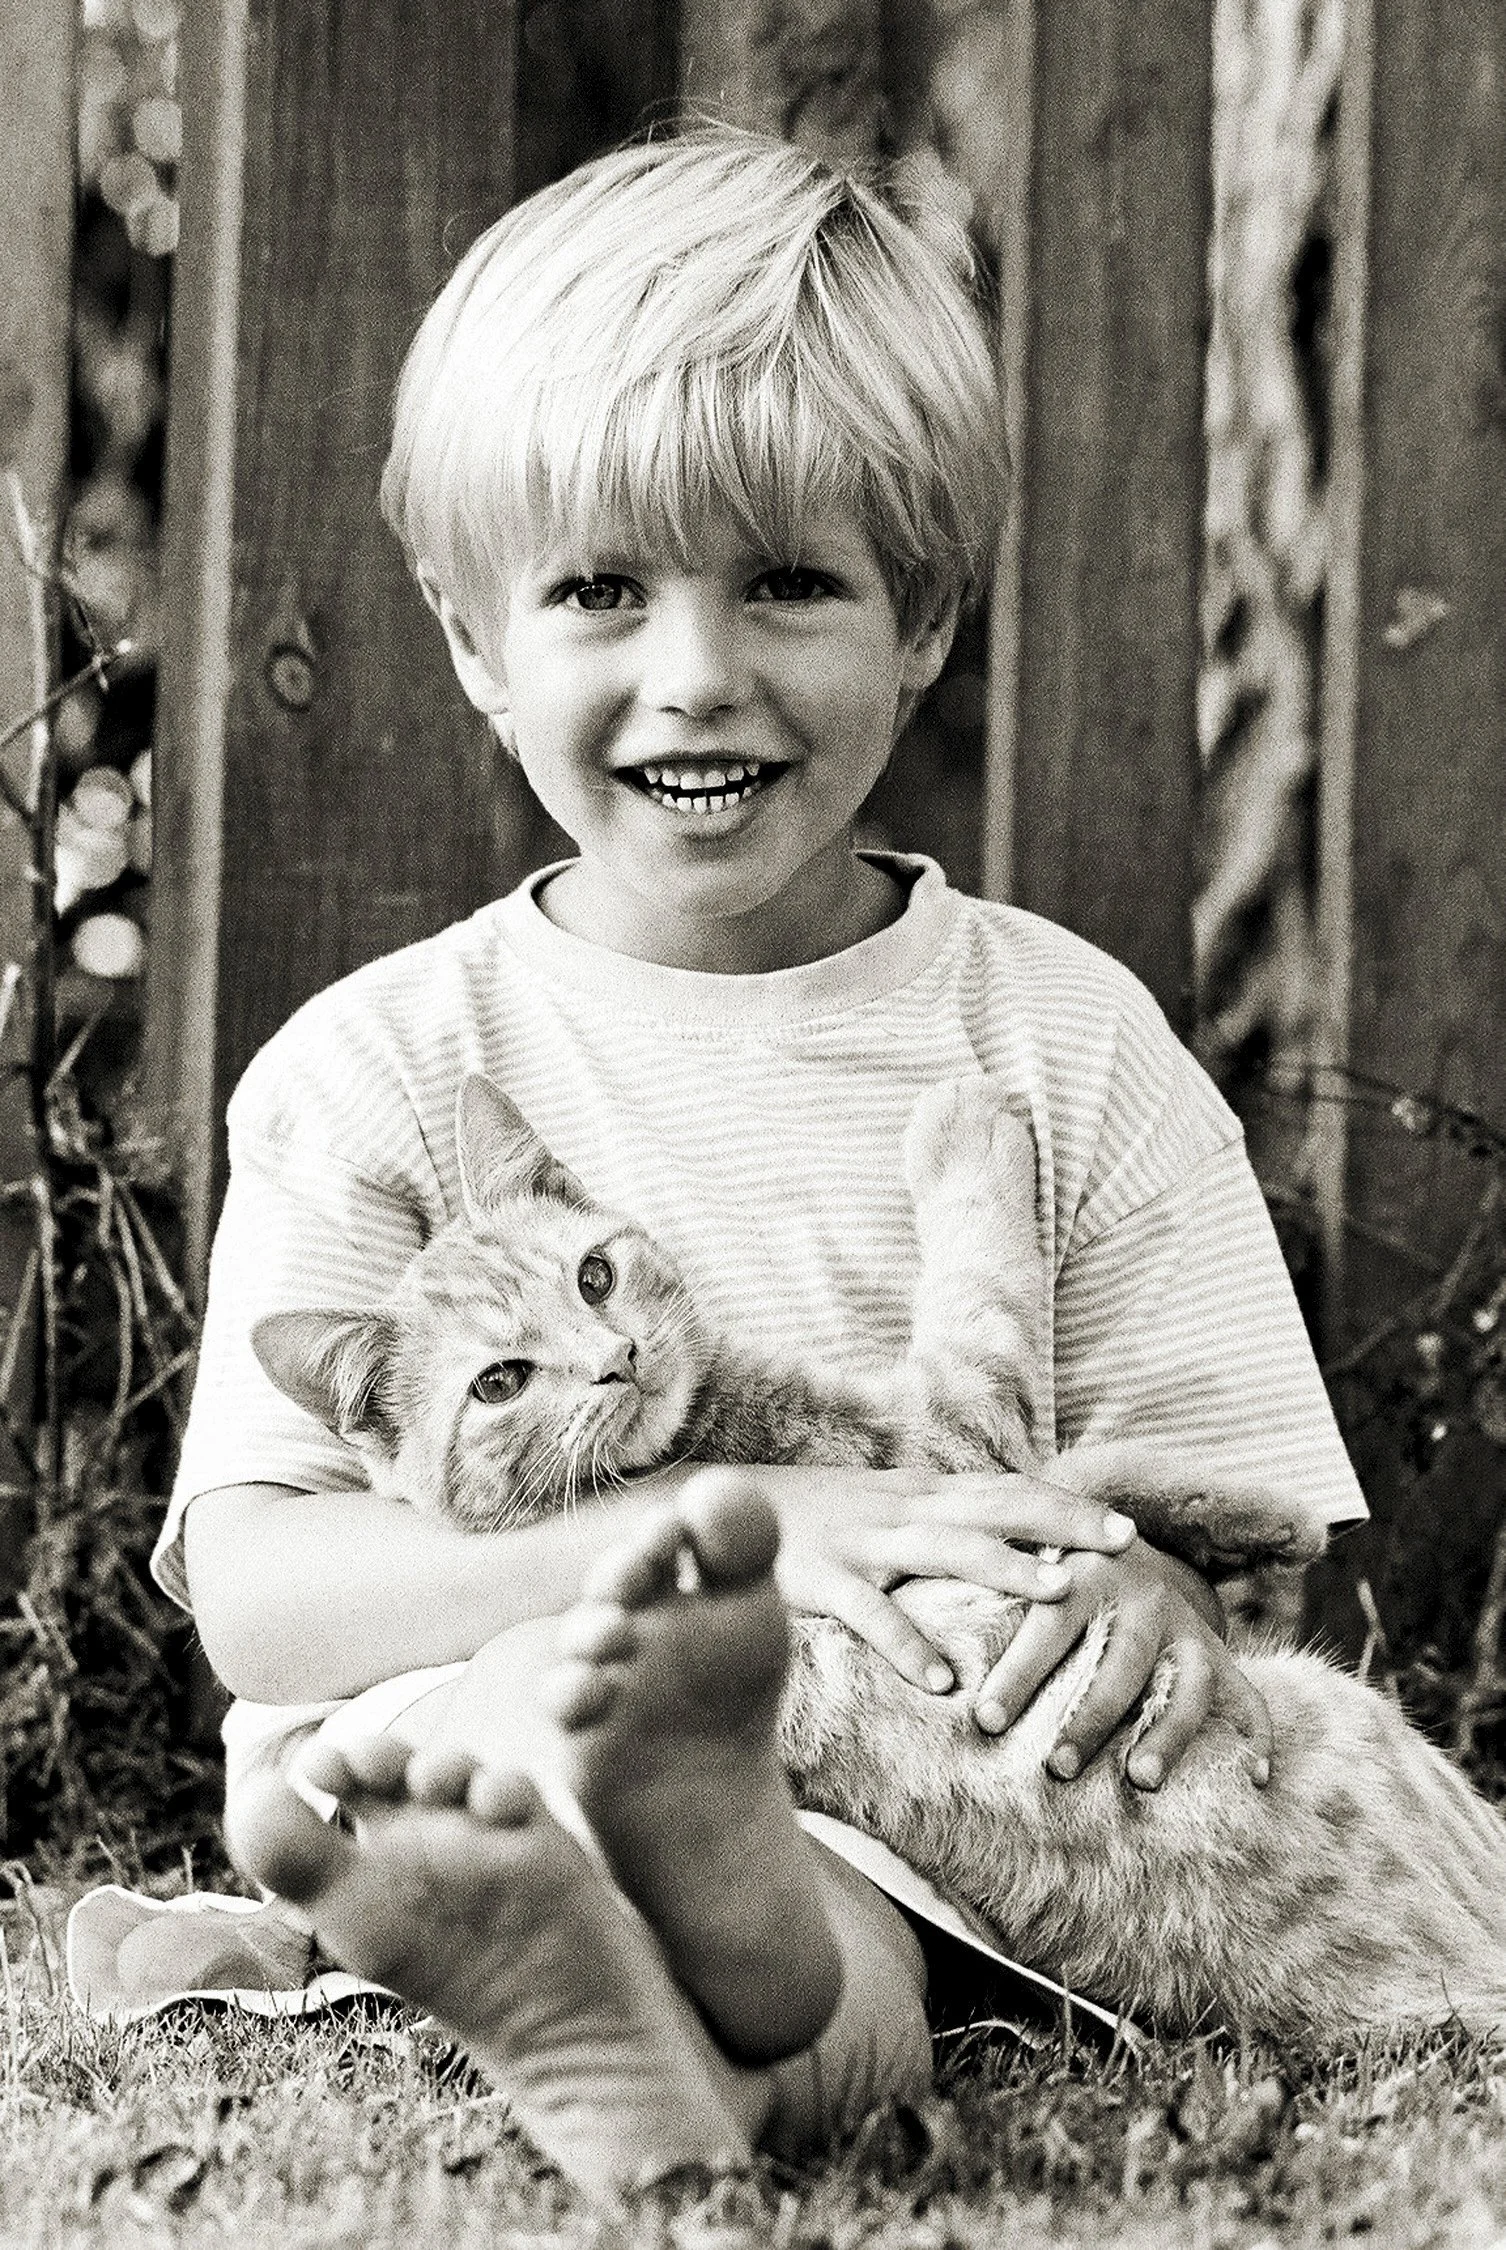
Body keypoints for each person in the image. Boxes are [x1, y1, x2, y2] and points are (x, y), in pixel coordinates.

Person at [158, 127, 1367, 2201]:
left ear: (925, 620)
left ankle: (664, 2047)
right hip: (481, 1745)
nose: (694, 670)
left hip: (912, 1815)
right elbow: (268, 1601)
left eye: (787, 582)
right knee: (564, 1768)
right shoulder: (388, 1067)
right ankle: (568, 1920)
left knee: (842, 1899)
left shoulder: (1062, 1045)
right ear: (472, 636)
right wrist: (750, 1533)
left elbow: (1239, 1544)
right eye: (600, 591)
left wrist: (1147, 1610)